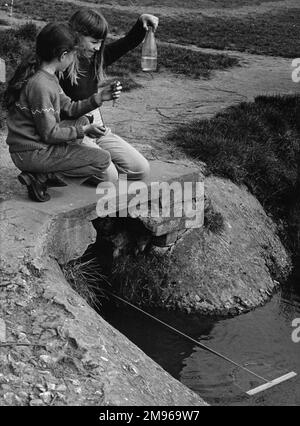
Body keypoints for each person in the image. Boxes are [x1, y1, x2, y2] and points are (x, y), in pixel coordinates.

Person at [5, 22, 122, 202]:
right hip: (31, 152)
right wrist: (84, 132)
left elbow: (70, 108)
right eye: (74, 54)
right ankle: (40, 178)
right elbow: (49, 134)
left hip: (35, 146)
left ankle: (45, 171)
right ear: (63, 55)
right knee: (102, 159)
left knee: (82, 120)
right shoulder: (40, 86)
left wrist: (99, 98)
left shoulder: (49, 77)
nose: (74, 59)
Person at [60, 9, 159, 181]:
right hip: (74, 132)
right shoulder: (62, 64)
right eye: (93, 42)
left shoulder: (96, 57)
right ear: (76, 35)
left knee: (140, 169)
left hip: (97, 130)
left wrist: (141, 23)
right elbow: (62, 109)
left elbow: (126, 43)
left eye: (101, 42)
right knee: (109, 176)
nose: (98, 47)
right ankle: (60, 166)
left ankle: (93, 163)